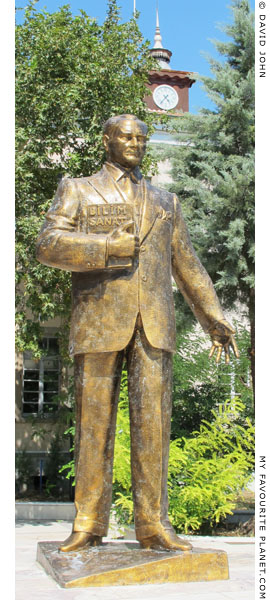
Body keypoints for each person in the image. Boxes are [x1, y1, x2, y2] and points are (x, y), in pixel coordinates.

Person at [36, 114, 239, 552]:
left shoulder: (166, 200)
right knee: (94, 426)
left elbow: (186, 264)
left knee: (154, 427)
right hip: (98, 321)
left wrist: (213, 317)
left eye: (141, 138)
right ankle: (88, 522)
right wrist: (106, 248)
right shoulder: (78, 188)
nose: (135, 143)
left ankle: (153, 523)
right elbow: (48, 244)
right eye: (126, 136)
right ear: (107, 140)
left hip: (155, 326)